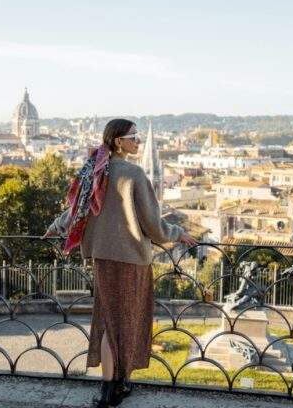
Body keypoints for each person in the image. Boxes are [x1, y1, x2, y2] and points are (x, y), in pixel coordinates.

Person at [42, 118, 198, 407]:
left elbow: (77, 212)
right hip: (132, 259)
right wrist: (178, 234)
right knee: (127, 321)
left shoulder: (94, 170)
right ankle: (116, 386)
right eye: (133, 137)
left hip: (103, 257)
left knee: (109, 321)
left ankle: (110, 389)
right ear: (118, 141)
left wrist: (55, 226)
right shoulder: (134, 175)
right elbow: (153, 225)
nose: (137, 142)